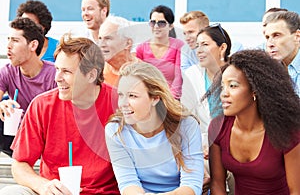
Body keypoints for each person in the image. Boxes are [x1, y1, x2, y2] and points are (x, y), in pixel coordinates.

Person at [0, 35, 120, 194]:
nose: (57, 78)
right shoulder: (42, 105)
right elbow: (19, 164)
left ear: (91, 75)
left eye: (66, 72)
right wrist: (42, 186)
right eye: (57, 69)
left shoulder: (120, 104)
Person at [208, 49, 300, 194]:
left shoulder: (287, 131)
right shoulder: (218, 127)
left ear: (255, 90)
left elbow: (296, 191)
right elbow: (217, 184)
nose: (224, 93)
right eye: (222, 86)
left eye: (233, 85)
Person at [105, 62, 203, 195]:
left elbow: (192, 185)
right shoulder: (115, 131)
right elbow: (128, 183)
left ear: (155, 98)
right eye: (121, 95)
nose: (123, 104)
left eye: (132, 96)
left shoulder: (187, 125)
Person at [181, 23, 232, 195]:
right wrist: (200, 148)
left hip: (234, 145)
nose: (199, 50)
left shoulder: (237, 73)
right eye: (197, 46)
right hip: (202, 148)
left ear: (222, 47)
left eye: (205, 44)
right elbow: (186, 118)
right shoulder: (191, 75)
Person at [0, 17, 57, 157]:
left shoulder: (55, 74)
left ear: (33, 45)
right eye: (8, 39)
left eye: (15, 40)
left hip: (49, 138)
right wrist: (2, 105)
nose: (8, 45)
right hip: (19, 137)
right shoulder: (8, 71)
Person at [136, 5, 184, 100]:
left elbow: (178, 78)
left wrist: (169, 100)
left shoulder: (178, 46)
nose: (156, 27)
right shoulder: (141, 48)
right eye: (153, 22)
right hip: (147, 100)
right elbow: (138, 78)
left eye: (161, 23)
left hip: (171, 100)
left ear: (170, 26)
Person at [263, 11, 300, 96]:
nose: (270, 44)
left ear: (297, 36)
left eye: (276, 35)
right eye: (267, 37)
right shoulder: (268, 70)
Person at [99, 16, 140, 87]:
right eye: (100, 38)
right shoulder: (97, 72)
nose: (101, 44)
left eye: (108, 38)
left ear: (127, 43)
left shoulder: (145, 74)